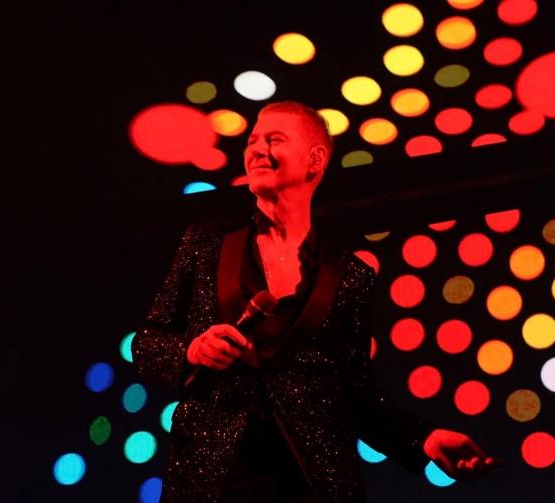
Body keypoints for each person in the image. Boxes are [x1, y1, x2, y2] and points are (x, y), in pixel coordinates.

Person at [133, 101, 494, 502]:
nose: (258, 150)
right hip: (214, 479)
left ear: (315, 159)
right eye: (253, 141)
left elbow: (357, 396)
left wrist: (424, 439)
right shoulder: (204, 244)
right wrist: (192, 350)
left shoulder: (351, 276)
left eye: (275, 140)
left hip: (314, 481)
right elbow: (147, 343)